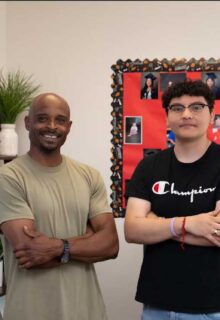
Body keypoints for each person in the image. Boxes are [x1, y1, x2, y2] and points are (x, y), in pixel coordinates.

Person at [0, 93, 119, 320]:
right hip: (31, 312)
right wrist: (88, 238)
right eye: (42, 118)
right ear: (27, 122)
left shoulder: (89, 176)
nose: (52, 126)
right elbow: (29, 252)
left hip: (87, 311)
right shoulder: (8, 177)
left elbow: (110, 245)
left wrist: (57, 247)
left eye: (60, 120)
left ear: (69, 126)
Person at [124, 79, 220, 320]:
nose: (186, 114)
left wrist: (158, 223)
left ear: (211, 115)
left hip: (212, 306)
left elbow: (217, 234)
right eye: (177, 108)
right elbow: (132, 230)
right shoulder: (149, 166)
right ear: (167, 118)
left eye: (196, 107)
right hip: (157, 304)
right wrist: (186, 223)